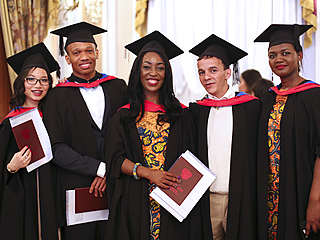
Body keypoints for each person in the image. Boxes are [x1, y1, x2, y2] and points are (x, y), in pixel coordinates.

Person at [104, 31, 213, 240]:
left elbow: (193, 160)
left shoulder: (181, 115)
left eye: (160, 67)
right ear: (138, 71)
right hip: (135, 200)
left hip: (174, 203)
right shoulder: (124, 116)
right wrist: (149, 173)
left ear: (167, 73)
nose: (153, 73)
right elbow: (115, 159)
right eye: (147, 67)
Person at [43, 22, 127, 240]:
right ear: (68, 58)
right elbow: (56, 148)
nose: (84, 57)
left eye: (89, 50)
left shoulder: (118, 87)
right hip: (78, 188)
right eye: (76, 52)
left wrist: (110, 170)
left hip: (118, 186)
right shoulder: (56, 97)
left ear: (97, 53)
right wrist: (100, 169)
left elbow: (128, 135)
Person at [188, 34, 261, 240]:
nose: (207, 77)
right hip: (206, 198)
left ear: (228, 73)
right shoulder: (196, 111)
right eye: (201, 72)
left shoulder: (251, 107)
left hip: (241, 196)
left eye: (213, 70)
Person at [254, 24, 320, 239]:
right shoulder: (267, 98)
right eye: (272, 55)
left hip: (301, 189)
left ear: (299, 55)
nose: (278, 59)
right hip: (268, 194)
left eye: (285, 53)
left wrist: (315, 202)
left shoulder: (314, 96)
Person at [0, 42, 60, 240]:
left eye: (44, 80)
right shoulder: (11, 122)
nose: (38, 85)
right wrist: (11, 167)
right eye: (31, 80)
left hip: (54, 193)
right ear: (22, 83)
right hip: (25, 199)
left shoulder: (55, 117)